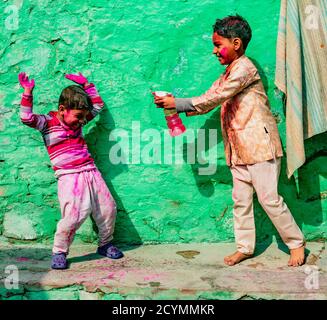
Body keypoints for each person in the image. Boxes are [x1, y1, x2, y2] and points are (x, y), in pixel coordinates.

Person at [154, 15, 305, 267]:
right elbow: (210, 96)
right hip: (238, 150)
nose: (214, 51)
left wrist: (177, 104)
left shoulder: (245, 68)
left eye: (217, 44)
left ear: (236, 43)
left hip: (260, 147)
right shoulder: (228, 73)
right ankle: (245, 247)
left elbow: (217, 97)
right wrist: (176, 104)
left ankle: (295, 243)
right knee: (241, 200)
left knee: (269, 199)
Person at [19, 72, 123, 269]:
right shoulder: (47, 123)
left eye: (84, 118)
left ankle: (105, 244)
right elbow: (26, 118)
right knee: (73, 216)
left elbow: (98, 106)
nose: (82, 121)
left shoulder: (79, 122)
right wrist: (27, 92)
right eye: (78, 117)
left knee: (108, 208)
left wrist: (86, 84)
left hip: (91, 171)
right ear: (62, 109)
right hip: (68, 176)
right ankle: (59, 251)